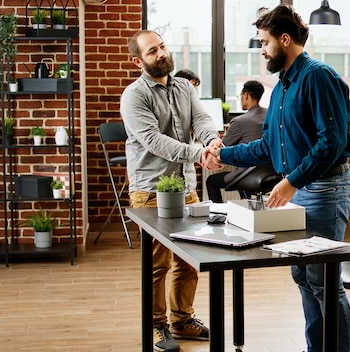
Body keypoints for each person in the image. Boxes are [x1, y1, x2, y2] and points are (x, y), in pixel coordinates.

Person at [204, 5, 350, 352]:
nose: (261, 49)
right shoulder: (282, 86)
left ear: (284, 40)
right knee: (303, 275)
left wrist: (292, 181)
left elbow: (331, 142)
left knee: (323, 280)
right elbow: (269, 147)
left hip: (326, 189)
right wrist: (221, 155)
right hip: (303, 188)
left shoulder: (317, 76)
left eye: (264, 42)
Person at [120, 30, 222, 352]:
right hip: (150, 189)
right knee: (157, 265)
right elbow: (153, 141)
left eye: (162, 46)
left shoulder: (182, 87)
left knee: (189, 260)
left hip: (187, 187)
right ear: (138, 60)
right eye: (152, 51)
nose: (161, 53)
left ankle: (182, 320)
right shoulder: (134, 95)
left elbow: (201, 119)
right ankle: (155, 326)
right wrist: (198, 154)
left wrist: (211, 141)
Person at [205, 80, 267, 203]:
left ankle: (219, 214)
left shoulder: (239, 121)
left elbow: (223, 148)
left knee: (211, 181)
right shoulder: (271, 115)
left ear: (246, 95)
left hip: (248, 175)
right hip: (270, 174)